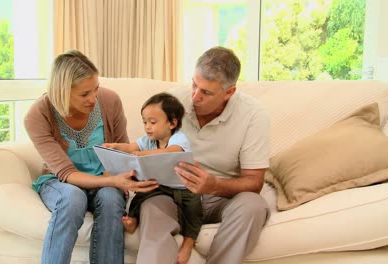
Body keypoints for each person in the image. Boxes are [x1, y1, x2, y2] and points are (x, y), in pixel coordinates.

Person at [135, 46, 271, 264]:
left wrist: (214, 185)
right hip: (174, 194)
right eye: (194, 85)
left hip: (222, 197)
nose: (195, 97)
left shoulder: (254, 116)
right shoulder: (173, 103)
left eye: (206, 92)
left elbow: (255, 182)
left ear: (229, 92)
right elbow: (148, 149)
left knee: (253, 206)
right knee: (151, 206)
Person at [24, 50, 158, 264]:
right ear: (62, 91)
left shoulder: (110, 100)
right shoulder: (38, 115)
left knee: (111, 197)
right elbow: (66, 173)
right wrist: (114, 181)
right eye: (84, 94)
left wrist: (122, 176)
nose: (93, 98)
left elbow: (122, 151)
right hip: (60, 182)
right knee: (72, 198)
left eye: (95, 89)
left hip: (106, 178)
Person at [103, 92, 203, 264]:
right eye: (144, 122)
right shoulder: (148, 140)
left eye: (153, 122)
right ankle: (133, 220)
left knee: (195, 208)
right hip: (160, 187)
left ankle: (188, 242)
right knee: (141, 195)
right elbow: (130, 147)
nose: (147, 127)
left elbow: (171, 152)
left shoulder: (178, 138)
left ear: (172, 123)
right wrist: (115, 146)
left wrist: (141, 154)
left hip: (183, 188)